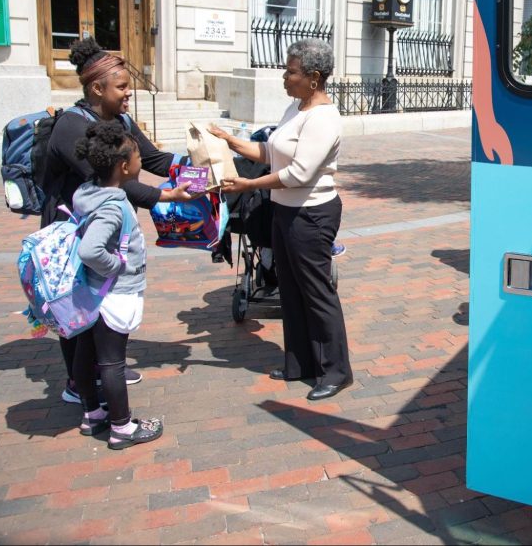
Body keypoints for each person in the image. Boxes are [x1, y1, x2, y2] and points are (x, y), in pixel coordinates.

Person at [42, 38, 200, 404]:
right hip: (71, 228)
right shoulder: (71, 126)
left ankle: (105, 365)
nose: (129, 94)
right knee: (78, 304)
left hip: (106, 224)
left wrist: (194, 167)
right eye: (122, 87)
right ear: (97, 88)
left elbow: (153, 158)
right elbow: (118, 185)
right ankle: (76, 383)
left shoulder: (122, 120)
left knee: (103, 300)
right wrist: (167, 196)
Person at [208, 39, 352, 401]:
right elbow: (271, 153)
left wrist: (249, 183)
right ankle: (300, 363)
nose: (284, 77)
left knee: (317, 293)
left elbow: (300, 173)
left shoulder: (324, 118)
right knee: (289, 290)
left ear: (314, 78)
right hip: (285, 210)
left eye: (291, 71)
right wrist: (229, 141)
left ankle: (335, 371)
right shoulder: (296, 108)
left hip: (311, 214)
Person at [72, 121, 163, 449]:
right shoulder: (113, 205)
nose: (141, 162)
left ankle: (92, 413)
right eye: (138, 156)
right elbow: (90, 249)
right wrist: (117, 266)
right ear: (125, 167)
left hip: (90, 291)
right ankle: (122, 428)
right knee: (111, 361)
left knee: (86, 352)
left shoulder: (88, 191)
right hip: (112, 291)